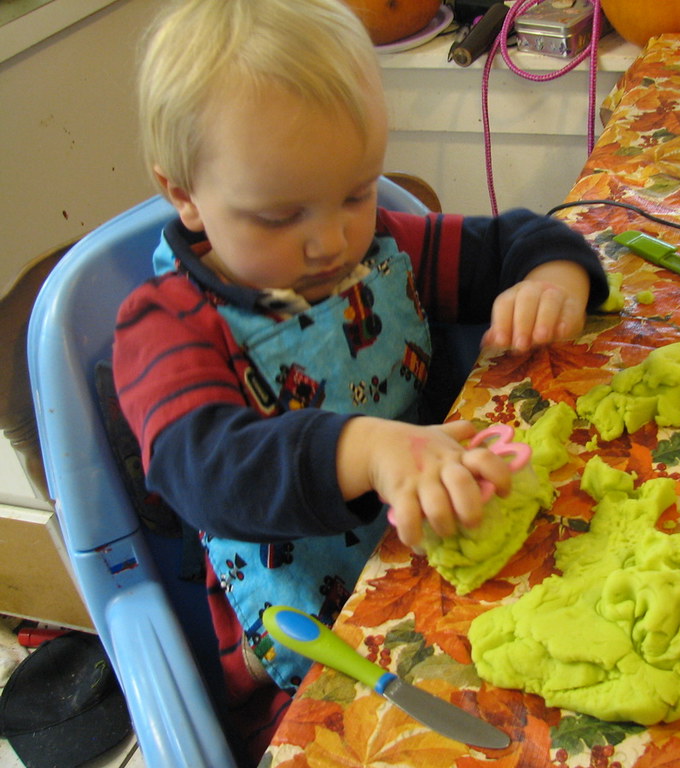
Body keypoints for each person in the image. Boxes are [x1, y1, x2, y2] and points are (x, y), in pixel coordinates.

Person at [114, 0, 608, 759]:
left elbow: (515, 239)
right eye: (280, 217)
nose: (331, 241)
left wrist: (552, 274)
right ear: (183, 193)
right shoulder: (167, 327)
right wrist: (369, 449)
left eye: (355, 191)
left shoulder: (380, 249)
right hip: (317, 648)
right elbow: (203, 468)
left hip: (447, 564)